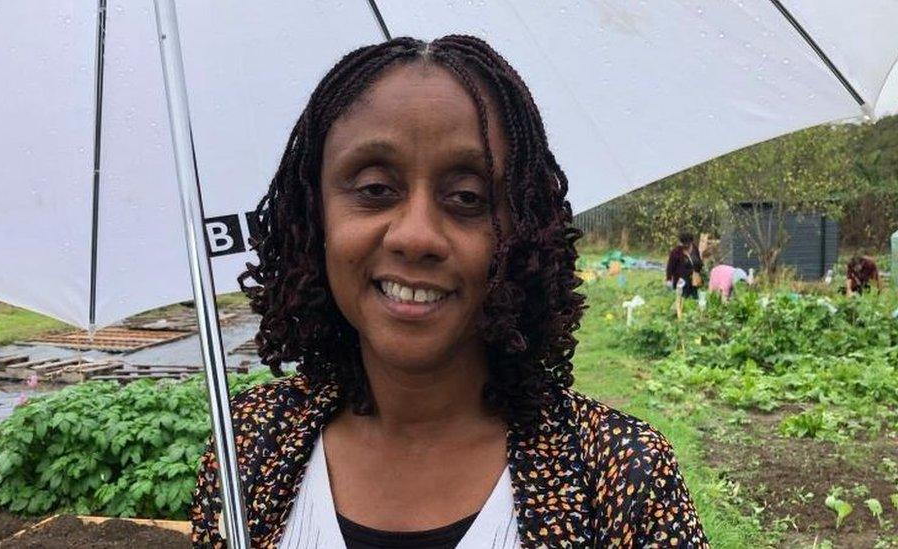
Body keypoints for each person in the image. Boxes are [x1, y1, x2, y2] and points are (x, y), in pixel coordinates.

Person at [191, 36, 706, 548]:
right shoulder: (248, 447)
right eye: (375, 189)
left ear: (522, 231)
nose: (416, 236)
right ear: (313, 215)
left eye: (467, 198)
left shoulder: (620, 478)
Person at [666, 233, 704, 299]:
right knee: (682, 298)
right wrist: (668, 279)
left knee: (694, 299)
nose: (687, 245)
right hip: (681, 280)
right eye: (685, 243)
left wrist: (698, 269)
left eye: (689, 243)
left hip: (693, 280)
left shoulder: (695, 249)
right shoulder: (676, 252)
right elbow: (670, 266)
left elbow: (699, 262)